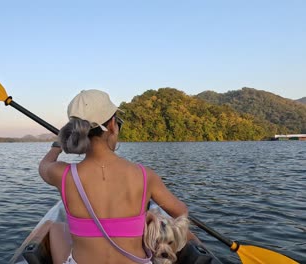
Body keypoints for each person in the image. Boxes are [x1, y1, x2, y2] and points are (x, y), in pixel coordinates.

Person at [39, 89, 194, 264]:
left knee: (55, 227)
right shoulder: (145, 176)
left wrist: (57, 145)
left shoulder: (62, 174)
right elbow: (181, 211)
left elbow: (44, 166)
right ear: (112, 125)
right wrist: (146, 218)